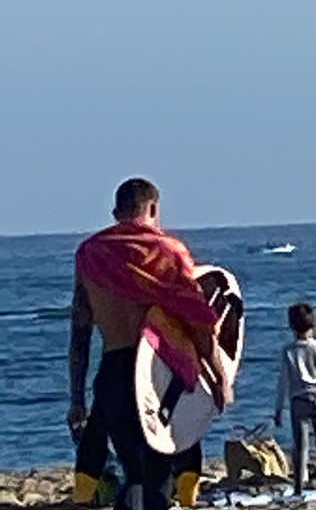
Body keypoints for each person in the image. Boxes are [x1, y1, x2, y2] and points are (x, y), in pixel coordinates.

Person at [68, 178, 232, 510]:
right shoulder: (168, 252)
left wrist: (77, 399)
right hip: (160, 374)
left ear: (117, 213)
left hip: (112, 374)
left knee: (134, 473)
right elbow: (199, 322)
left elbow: (80, 331)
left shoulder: (89, 254)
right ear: (154, 208)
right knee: (159, 478)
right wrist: (220, 378)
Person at [275, 303, 316, 495]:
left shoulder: (289, 350)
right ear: (313, 324)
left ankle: (298, 486)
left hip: (298, 399)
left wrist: (278, 409)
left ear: (291, 325)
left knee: (300, 445)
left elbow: (283, 382)